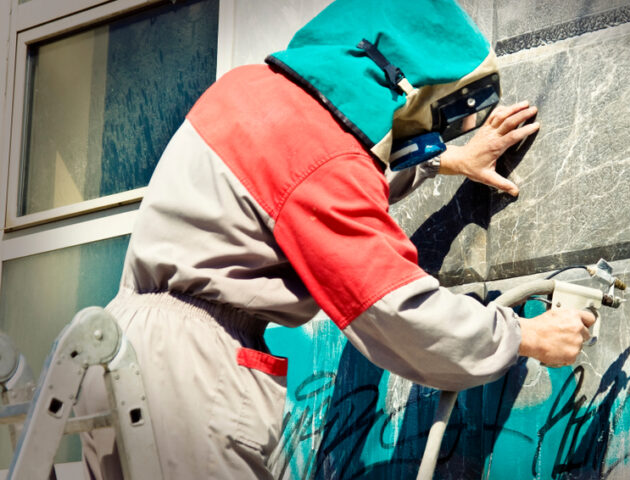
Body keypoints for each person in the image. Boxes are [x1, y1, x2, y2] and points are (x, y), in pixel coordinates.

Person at [77, 0, 595, 478]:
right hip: (188, 379)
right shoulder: (320, 156)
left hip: (120, 349)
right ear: (401, 85)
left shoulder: (250, 88)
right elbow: (396, 308)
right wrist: (526, 337)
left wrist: (439, 162)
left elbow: (293, 194)